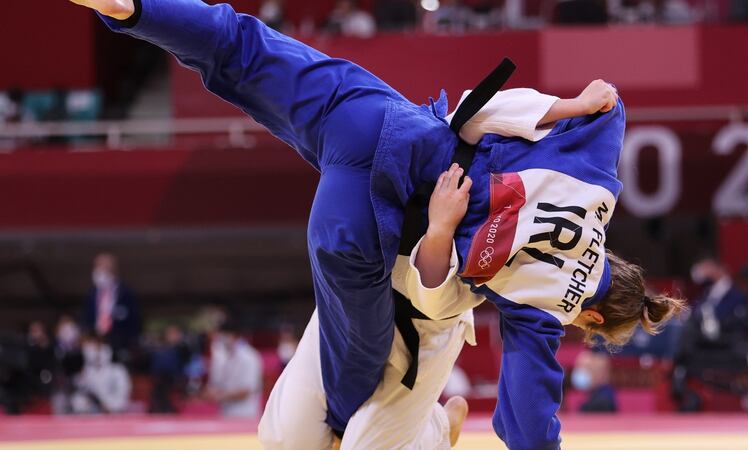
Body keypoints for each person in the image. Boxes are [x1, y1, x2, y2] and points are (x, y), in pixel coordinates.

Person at [69, 1, 684, 447]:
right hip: (373, 225)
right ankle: (411, 435)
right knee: (346, 406)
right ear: (596, 315)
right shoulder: (544, 308)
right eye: (591, 330)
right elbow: (526, 421)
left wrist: (578, 103)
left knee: (241, 45)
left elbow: (609, 104)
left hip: (391, 126)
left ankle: (132, 7)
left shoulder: (598, 186)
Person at [260, 89, 572, 449]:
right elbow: (484, 106)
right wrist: (574, 105)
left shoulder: (525, 209)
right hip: (358, 295)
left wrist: (441, 229)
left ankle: (434, 430)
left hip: (426, 325)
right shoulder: (427, 140)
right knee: (283, 439)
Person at [672, 255, 748, 411]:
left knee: (687, 334)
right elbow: (696, 314)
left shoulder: (737, 295)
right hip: (704, 341)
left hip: (726, 342)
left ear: (719, 269)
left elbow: (739, 322)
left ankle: (678, 371)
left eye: (706, 267)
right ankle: (681, 380)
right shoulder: (706, 293)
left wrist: (715, 324)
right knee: (682, 328)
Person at [82, 252, 142, 362]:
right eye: (96, 267)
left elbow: (134, 320)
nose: (97, 271)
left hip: (120, 345)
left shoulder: (125, 292)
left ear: (112, 270)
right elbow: (87, 318)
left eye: (102, 267)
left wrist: (130, 344)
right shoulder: (92, 293)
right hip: (96, 345)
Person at [205, 319, 263, 418]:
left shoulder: (249, 357)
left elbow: (246, 390)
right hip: (226, 413)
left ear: (233, 335)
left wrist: (220, 396)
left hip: (245, 414)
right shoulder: (224, 356)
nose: (220, 339)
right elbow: (218, 384)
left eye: (223, 335)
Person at [71, 333, 132, 413]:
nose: (95, 353)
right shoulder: (84, 372)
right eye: (91, 348)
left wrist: (110, 405)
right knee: (78, 401)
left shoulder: (117, 370)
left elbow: (123, 395)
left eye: (98, 348)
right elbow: (80, 395)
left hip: (114, 412)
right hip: (92, 414)